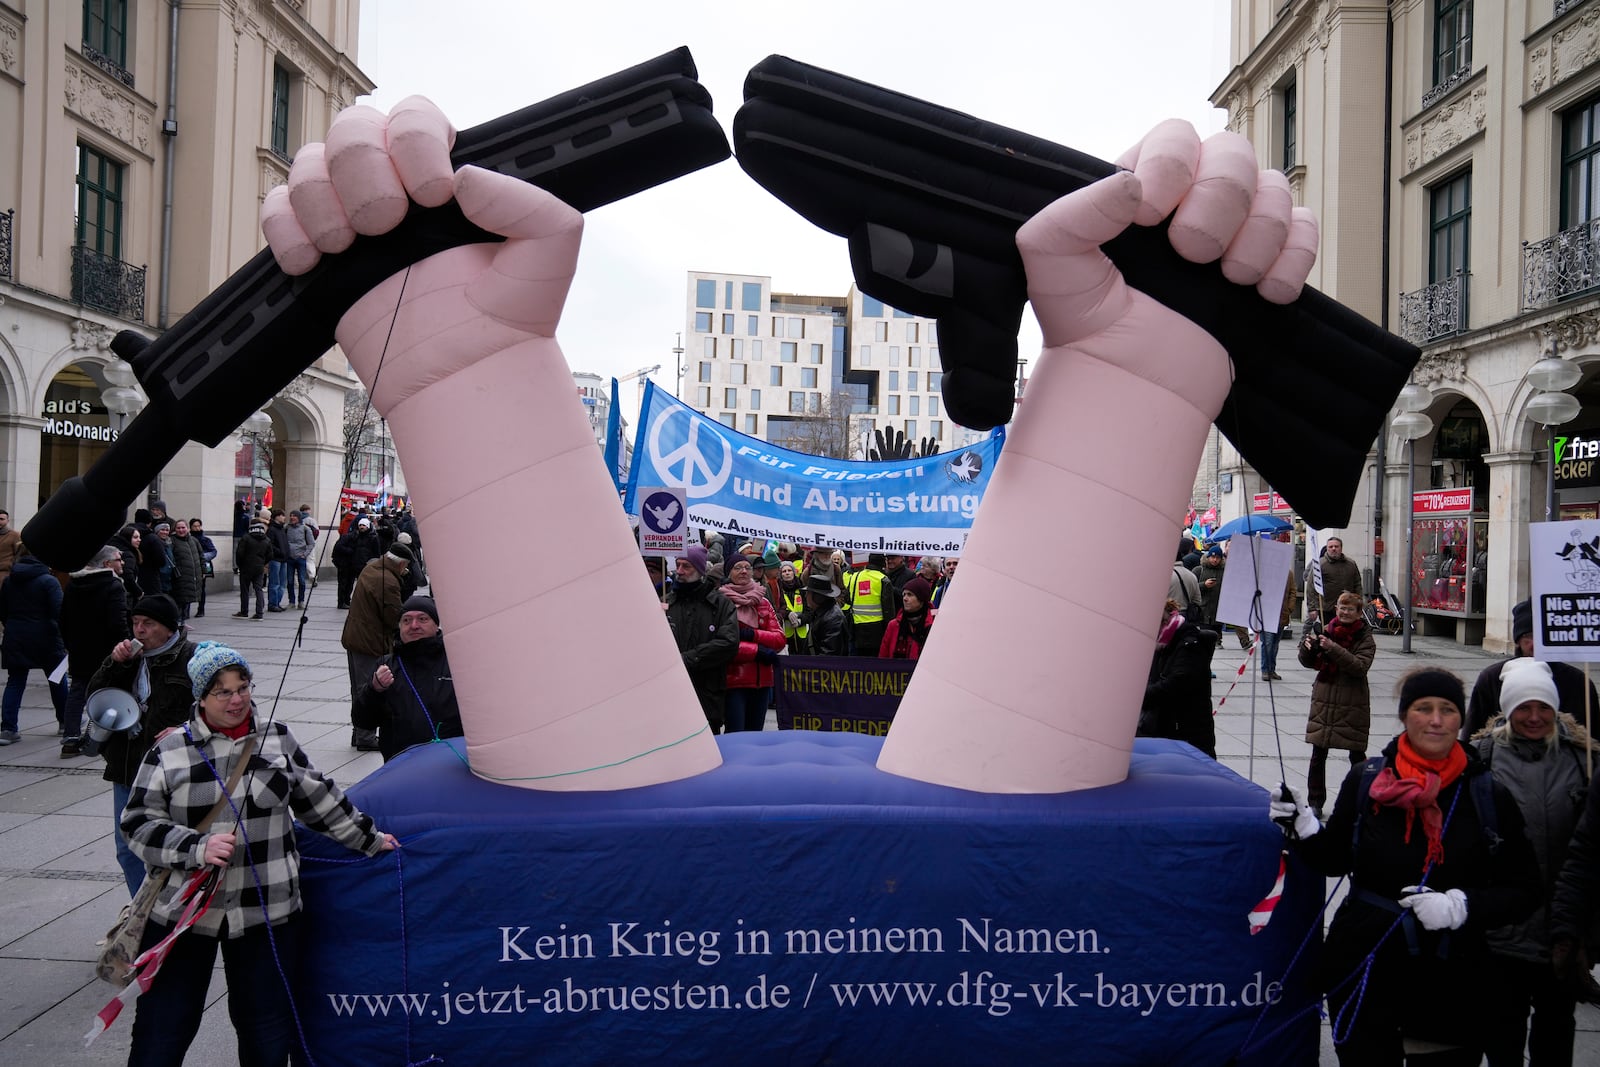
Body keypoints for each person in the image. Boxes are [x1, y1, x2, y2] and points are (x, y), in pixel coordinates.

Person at [121, 641, 398, 1066]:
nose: (236, 700)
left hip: (266, 906)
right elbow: (137, 823)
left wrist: (371, 839)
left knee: (265, 1028)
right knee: (163, 1028)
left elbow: (320, 801)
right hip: (183, 914)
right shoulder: (170, 750)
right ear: (201, 696)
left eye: (243, 687)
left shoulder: (276, 739)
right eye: (223, 692)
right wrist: (195, 848)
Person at [1271, 667, 1541, 1065]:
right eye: (1423, 708)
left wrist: (1462, 906)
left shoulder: (1486, 793)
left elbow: (1525, 890)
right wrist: (1304, 826)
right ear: (1403, 716)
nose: (1436, 720)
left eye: (1448, 709)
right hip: (1366, 965)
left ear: (1461, 719)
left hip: (1451, 978)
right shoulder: (1365, 780)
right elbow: (1335, 859)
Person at [1471, 658, 1597, 1067]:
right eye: (1523, 707)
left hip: (1562, 930)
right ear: (1508, 709)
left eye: (1543, 707)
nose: (1534, 716)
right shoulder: (1481, 760)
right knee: (1502, 1032)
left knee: (1557, 1029)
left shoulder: (1584, 760)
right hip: (1500, 931)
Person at [86, 594, 196, 897]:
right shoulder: (127, 658)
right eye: (135, 623)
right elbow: (96, 696)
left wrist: (188, 728)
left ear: (170, 628)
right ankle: (141, 913)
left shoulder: (192, 657)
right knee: (127, 848)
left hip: (171, 769)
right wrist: (115, 664)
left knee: (171, 844)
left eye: (148, 623)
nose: (139, 630)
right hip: (126, 765)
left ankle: (171, 909)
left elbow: (218, 705)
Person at [1465, 599, 1600, 739]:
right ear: (1518, 641)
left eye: (1544, 634)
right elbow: (1473, 736)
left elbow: (1592, 739)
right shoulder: (1492, 678)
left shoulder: (1578, 683)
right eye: (1529, 636)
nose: (1537, 644)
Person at [351, 595, 461, 761]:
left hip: (450, 763)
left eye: (422, 619)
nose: (414, 626)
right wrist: (374, 690)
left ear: (436, 624)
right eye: (407, 620)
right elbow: (362, 721)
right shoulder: (386, 665)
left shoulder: (456, 662)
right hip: (401, 765)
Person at [1298, 590, 1376, 816]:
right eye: (1342, 608)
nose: (1344, 612)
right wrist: (1308, 649)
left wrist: (1334, 649)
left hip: (1352, 701)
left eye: (1350, 609)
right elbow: (1308, 662)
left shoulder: (1365, 637)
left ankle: (1362, 799)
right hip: (1325, 697)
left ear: (1359, 613)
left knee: (1356, 755)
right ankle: (1315, 802)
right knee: (1318, 753)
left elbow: (1359, 667)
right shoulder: (1327, 630)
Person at [59, 545, 130, 758]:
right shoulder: (113, 586)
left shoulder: (74, 584)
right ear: (107, 564)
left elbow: (63, 619)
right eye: (119, 559)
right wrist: (125, 644)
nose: (122, 562)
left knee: (78, 691)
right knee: (109, 693)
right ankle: (98, 737)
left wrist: (70, 643)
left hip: (80, 648)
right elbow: (118, 621)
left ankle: (70, 738)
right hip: (107, 649)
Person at [342, 543, 412, 750]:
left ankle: (359, 732)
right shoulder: (387, 581)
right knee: (370, 688)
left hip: (355, 638)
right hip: (371, 642)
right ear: (401, 564)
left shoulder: (371, 568)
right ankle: (365, 737)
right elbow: (393, 617)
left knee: (358, 687)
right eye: (405, 566)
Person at [664, 543, 738, 732]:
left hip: (707, 696)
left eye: (686, 566)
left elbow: (728, 643)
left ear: (699, 569)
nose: (679, 571)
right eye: (678, 565)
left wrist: (689, 658)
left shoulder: (720, 604)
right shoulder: (667, 603)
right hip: (671, 697)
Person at [0, 551, 68, 745]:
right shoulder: (49, 581)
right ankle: (64, 721)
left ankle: (8, 728)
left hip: (15, 635)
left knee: (15, 681)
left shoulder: (9, 580)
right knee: (57, 678)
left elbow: (2, 610)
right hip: (46, 635)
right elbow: (59, 611)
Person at [1137, 597, 1218, 757]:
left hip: (1186, 733)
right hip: (1167, 728)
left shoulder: (1188, 645)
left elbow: (1174, 685)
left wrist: (1137, 698)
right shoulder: (1164, 643)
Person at [719, 556, 785, 732]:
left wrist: (753, 634)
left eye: (747, 567)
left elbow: (779, 639)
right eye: (737, 567)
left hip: (762, 682)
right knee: (736, 735)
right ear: (728, 572)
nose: (743, 571)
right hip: (734, 682)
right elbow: (724, 644)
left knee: (756, 737)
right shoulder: (720, 602)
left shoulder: (762, 601)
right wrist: (757, 651)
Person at [1307, 535, 1363, 624]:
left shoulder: (1351, 564)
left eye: (1336, 546)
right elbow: (1311, 587)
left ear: (1341, 548)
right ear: (1327, 548)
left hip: (1347, 608)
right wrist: (1312, 608)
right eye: (1331, 546)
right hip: (1327, 608)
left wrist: (1359, 604)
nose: (1333, 549)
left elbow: (1357, 584)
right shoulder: (1319, 565)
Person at [880, 575, 937, 661]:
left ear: (921, 598)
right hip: (895, 673)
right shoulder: (893, 625)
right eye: (904, 595)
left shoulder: (934, 625)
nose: (905, 599)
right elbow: (883, 657)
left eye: (910, 595)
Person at [848, 553, 894, 656]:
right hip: (877, 630)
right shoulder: (883, 579)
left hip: (856, 627)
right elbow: (888, 610)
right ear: (883, 563)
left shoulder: (855, 576)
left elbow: (848, 599)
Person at [1259, 564, 1298, 682]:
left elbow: (1292, 591)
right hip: (1267, 614)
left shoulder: (1288, 573)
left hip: (1282, 614)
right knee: (1268, 643)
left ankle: (1272, 669)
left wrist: (1290, 607)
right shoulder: (1264, 573)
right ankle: (1265, 669)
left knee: (1275, 644)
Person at [331, 517, 379, 610]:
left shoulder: (372, 538)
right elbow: (339, 547)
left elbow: (375, 553)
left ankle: (349, 601)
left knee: (354, 584)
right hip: (348, 565)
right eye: (360, 525)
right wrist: (350, 551)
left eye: (364, 525)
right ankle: (342, 602)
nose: (362, 527)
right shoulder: (352, 536)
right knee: (345, 584)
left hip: (361, 565)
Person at [167, 519, 205, 622]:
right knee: (180, 602)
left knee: (186, 602)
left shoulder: (194, 541)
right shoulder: (172, 541)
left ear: (187, 528)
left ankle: (182, 623)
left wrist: (203, 571)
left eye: (183, 527)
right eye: (178, 528)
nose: (181, 530)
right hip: (180, 578)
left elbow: (201, 556)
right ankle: (179, 624)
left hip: (193, 577)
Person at [233, 521, 272, 620]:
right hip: (259, 567)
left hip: (246, 567)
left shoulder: (246, 538)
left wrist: (240, 565)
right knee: (258, 589)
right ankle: (259, 613)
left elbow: (239, 553)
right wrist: (263, 562)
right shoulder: (266, 539)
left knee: (245, 589)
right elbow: (270, 555)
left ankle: (244, 611)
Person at [803, 571, 848, 656]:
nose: (806, 596)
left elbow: (829, 656)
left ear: (817, 597)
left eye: (808, 593)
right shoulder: (821, 612)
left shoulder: (834, 619)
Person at [187, 518, 218, 618]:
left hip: (202, 566)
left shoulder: (205, 540)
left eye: (198, 526)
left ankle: (201, 609)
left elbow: (213, 552)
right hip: (190, 566)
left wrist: (202, 557)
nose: (197, 528)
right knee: (187, 589)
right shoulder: (188, 539)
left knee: (201, 588)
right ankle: (186, 611)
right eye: (195, 526)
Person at [776, 561, 808, 655]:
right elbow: (776, 609)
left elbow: (809, 611)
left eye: (789, 570)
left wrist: (800, 621)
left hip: (802, 635)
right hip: (786, 634)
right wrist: (787, 614)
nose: (787, 573)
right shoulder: (778, 590)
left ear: (794, 572)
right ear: (781, 575)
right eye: (784, 571)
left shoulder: (802, 589)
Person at [285, 509, 315, 609]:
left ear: (299, 518)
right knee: (289, 581)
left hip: (300, 558)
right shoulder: (286, 528)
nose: (292, 517)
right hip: (290, 558)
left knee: (301, 581)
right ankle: (291, 601)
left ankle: (301, 601)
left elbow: (311, 543)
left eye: (294, 516)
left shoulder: (305, 529)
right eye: (291, 515)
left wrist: (305, 554)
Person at [265, 509, 292, 611]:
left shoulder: (282, 529)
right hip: (275, 559)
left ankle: (277, 602)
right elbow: (270, 544)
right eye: (282, 515)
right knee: (274, 582)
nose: (284, 518)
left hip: (283, 559)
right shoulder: (272, 529)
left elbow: (285, 543)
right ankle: (272, 604)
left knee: (282, 583)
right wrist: (280, 552)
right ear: (277, 517)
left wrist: (286, 553)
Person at [0, 508, 23, 589]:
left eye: (1, 519)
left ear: (7, 521)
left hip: (5, 574)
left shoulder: (14, 535)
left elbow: (19, 555)